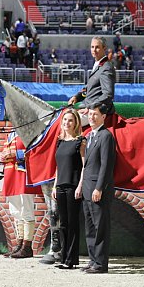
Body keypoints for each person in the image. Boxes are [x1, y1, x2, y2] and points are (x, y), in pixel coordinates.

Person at [81, 105, 116, 273]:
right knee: (90, 227)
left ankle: (101, 264)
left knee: (100, 227)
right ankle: (93, 260)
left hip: (97, 190)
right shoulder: (90, 136)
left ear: (103, 117)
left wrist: (99, 188)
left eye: (96, 114)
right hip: (87, 189)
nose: (92, 117)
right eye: (90, 114)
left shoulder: (106, 136)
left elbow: (106, 166)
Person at [0, 131, 42, 258]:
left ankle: (27, 247)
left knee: (26, 209)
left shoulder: (29, 131)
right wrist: (1, 156)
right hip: (11, 174)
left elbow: (36, 151)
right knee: (15, 211)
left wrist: (15, 154)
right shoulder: (10, 134)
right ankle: (20, 244)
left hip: (23, 174)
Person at [52, 109, 86, 269]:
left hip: (74, 187)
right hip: (60, 187)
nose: (67, 123)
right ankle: (63, 257)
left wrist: (80, 185)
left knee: (73, 223)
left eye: (70, 120)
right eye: (65, 120)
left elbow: (85, 166)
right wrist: (54, 185)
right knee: (63, 223)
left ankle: (71, 260)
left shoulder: (80, 141)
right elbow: (58, 167)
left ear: (76, 123)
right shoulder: (59, 141)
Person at [67, 36, 115, 117]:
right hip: (87, 107)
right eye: (92, 47)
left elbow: (108, 95)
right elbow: (89, 89)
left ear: (104, 48)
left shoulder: (106, 68)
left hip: (97, 110)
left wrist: (90, 107)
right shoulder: (97, 64)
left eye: (97, 47)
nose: (94, 50)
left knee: (69, 120)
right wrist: (77, 97)